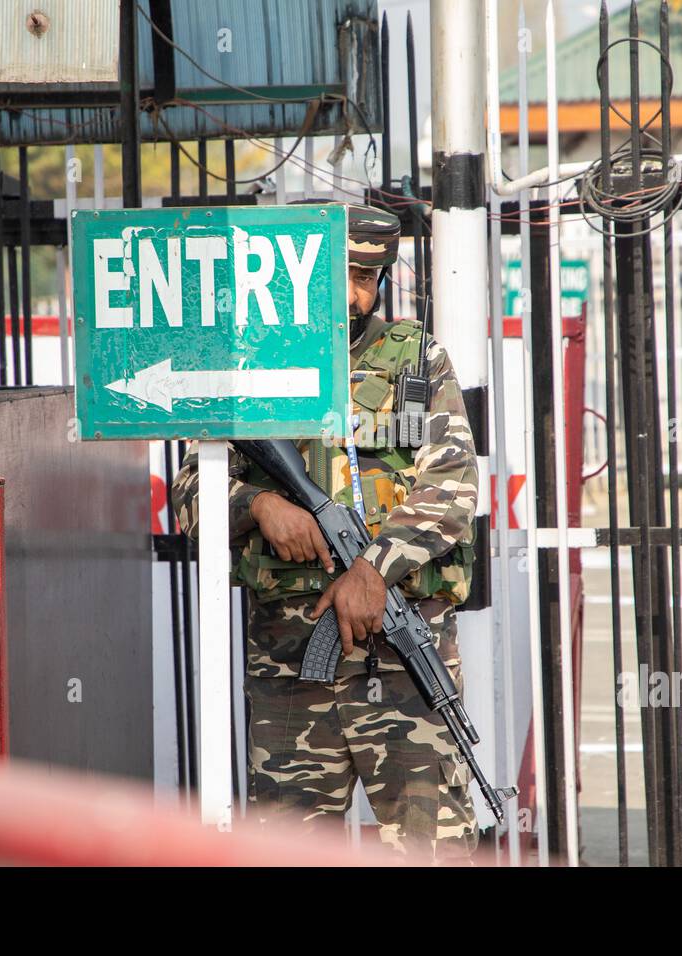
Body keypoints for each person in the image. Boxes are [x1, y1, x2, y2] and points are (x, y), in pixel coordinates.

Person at [170, 203, 480, 860]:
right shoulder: (252, 366)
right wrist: (260, 506)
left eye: (369, 277)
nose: (354, 292)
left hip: (400, 669)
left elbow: (450, 489)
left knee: (435, 850)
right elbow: (190, 491)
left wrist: (373, 572)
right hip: (288, 668)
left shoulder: (415, 364)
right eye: (340, 273)